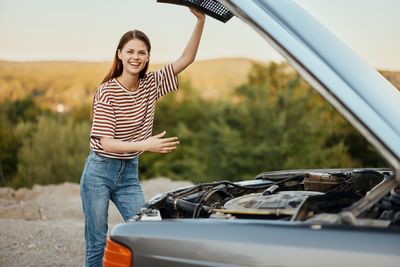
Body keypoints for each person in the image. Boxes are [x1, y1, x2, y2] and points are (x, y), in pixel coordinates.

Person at [80, 8, 205, 267]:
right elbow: (106, 142)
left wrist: (200, 21)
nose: (136, 57)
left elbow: (187, 58)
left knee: (148, 229)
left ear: (148, 56)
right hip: (99, 172)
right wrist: (146, 144)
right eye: (130, 51)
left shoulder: (152, 83)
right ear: (120, 54)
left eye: (141, 52)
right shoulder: (106, 92)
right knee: (97, 240)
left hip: (128, 174)